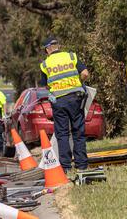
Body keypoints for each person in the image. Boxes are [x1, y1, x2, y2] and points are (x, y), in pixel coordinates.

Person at [39, 36, 90, 172]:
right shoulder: (71, 57)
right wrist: (79, 83)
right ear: (58, 46)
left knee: (62, 134)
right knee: (78, 132)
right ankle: (82, 165)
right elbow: (85, 73)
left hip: (59, 101)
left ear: (48, 49)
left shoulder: (45, 64)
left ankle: (65, 167)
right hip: (75, 99)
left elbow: (46, 86)